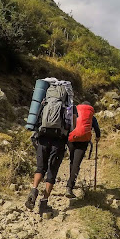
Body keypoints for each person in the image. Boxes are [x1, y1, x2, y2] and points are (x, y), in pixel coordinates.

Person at [25, 81, 77, 215]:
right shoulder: (69, 105)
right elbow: (73, 126)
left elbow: (36, 120)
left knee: (40, 168)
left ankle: (34, 189)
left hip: (42, 138)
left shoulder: (45, 101)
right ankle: (44, 202)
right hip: (58, 141)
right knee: (51, 172)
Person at [65, 100, 100, 197]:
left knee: (72, 160)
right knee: (76, 163)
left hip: (71, 139)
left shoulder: (75, 112)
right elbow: (96, 129)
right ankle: (70, 187)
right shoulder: (91, 117)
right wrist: (97, 137)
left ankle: (70, 180)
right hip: (83, 141)